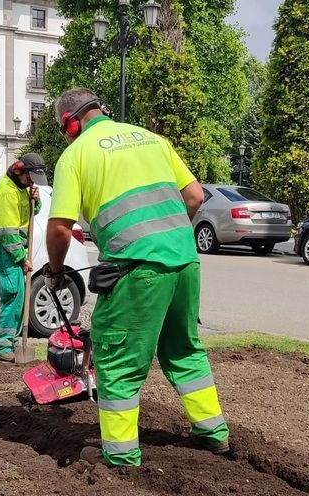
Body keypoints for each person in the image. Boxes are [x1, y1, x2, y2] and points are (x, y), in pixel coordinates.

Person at [42, 87, 229, 468]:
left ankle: (121, 456)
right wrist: (167, 241)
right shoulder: (152, 139)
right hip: (184, 263)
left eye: (64, 129)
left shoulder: (76, 154)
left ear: (71, 123)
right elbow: (194, 195)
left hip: (137, 271)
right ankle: (213, 434)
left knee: (117, 357)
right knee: (184, 349)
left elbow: (60, 228)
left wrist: (56, 273)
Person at [0, 153, 46, 362]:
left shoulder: (23, 187)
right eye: (30, 178)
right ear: (20, 171)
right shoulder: (6, 192)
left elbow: (29, 213)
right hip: (5, 251)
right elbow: (7, 232)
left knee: (19, 296)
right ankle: (1, 346)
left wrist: (35, 202)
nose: (32, 183)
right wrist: (21, 257)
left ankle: (9, 342)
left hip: (13, 249)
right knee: (13, 295)